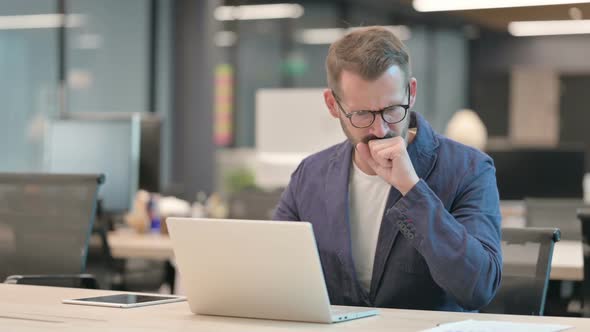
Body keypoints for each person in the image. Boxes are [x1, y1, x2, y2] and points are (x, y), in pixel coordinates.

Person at [273, 26, 502, 312]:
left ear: (411, 93)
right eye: (362, 114)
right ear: (333, 105)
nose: (380, 129)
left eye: (392, 110)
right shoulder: (310, 175)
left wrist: (413, 190)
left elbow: (479, 288)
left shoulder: (469, 169)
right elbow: (274, 273)